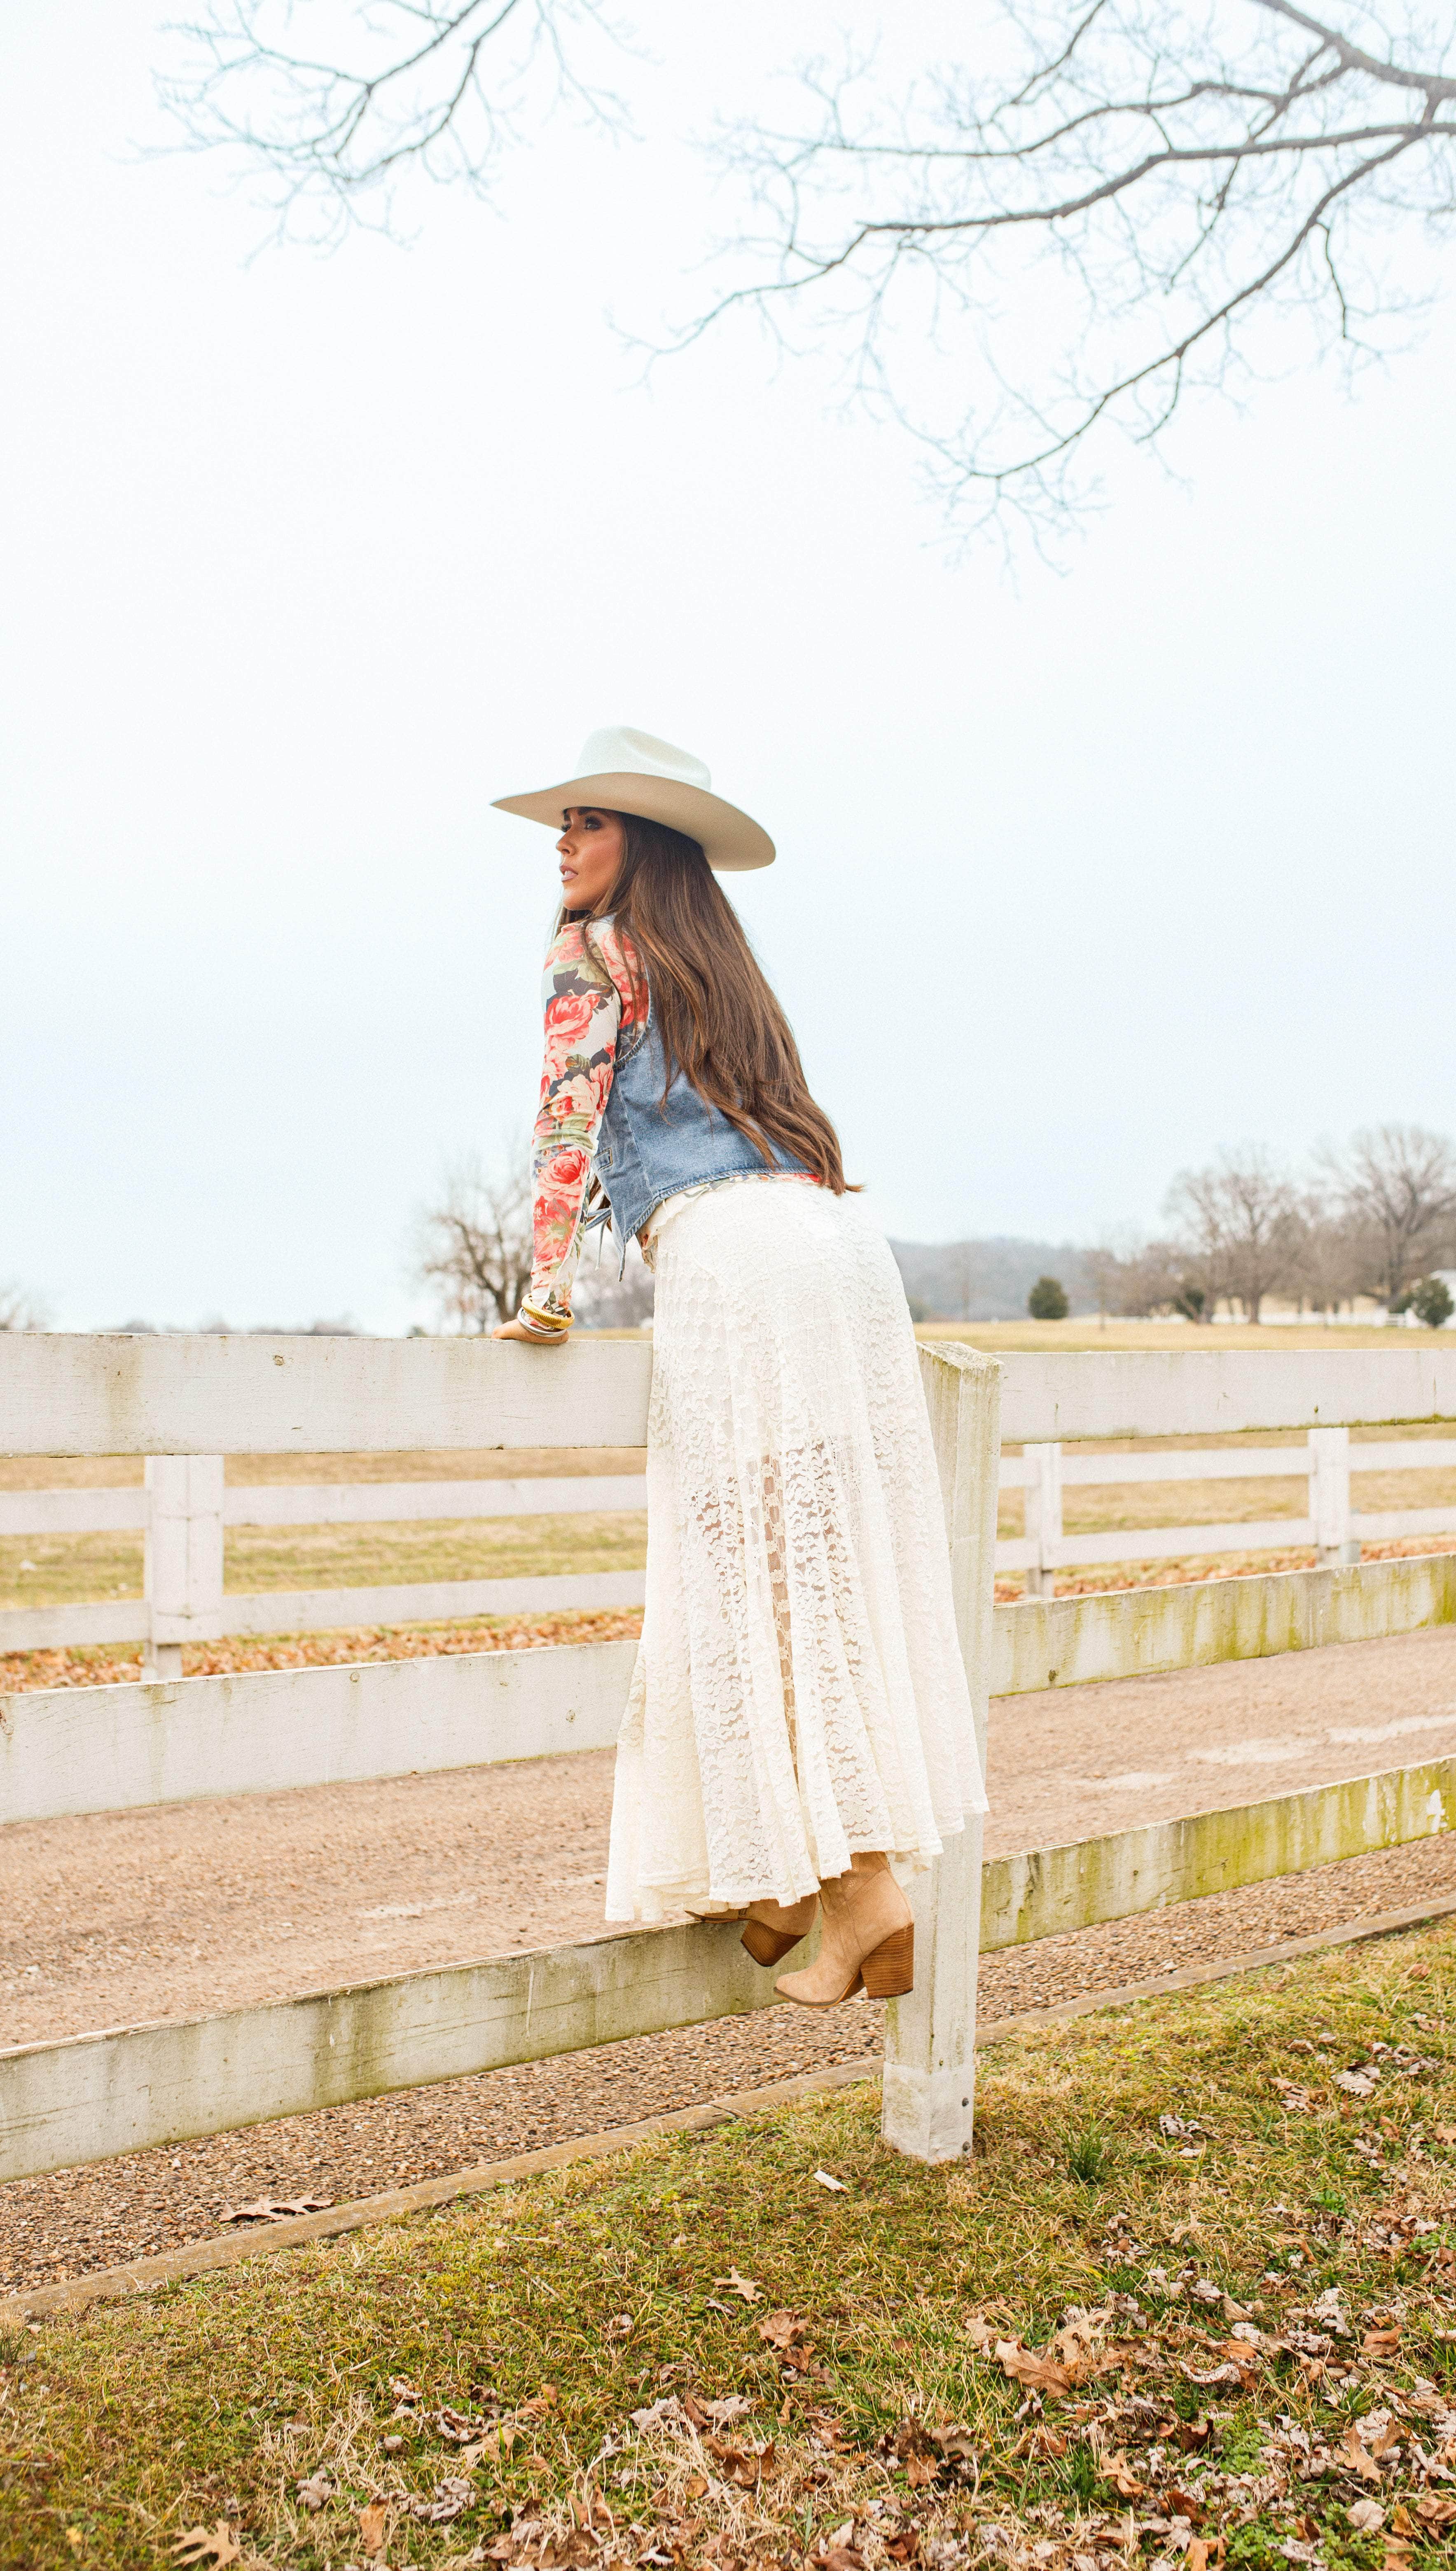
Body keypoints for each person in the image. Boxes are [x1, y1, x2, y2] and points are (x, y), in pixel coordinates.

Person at [490, 728, 986, 2009]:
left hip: (737, 1260)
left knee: (747, 1573)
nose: (561, 844)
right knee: (823, 1559)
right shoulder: (723, 961)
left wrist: (545, 1292)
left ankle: (864, 1888)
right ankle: (783, 1877)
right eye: (562, 824)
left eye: (585, 823)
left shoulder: (591, 952)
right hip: (836, 1247)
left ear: (638, 845)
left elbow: (566, 1115)